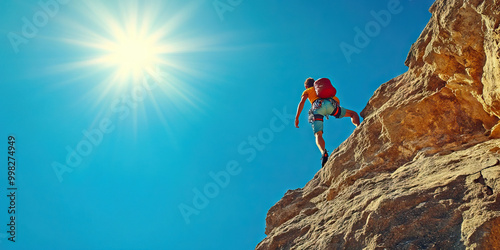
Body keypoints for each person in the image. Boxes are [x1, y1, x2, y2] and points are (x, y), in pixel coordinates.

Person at [294, 77, 360, 167]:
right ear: (315, 84)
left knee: (318, 134)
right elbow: (336, 100)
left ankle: (323, 152)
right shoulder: (321, 90)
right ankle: (359, 128)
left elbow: (302, 102)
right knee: (353, 114)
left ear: (306, 86)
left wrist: (297, 117)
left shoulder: (308, 91)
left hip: (316, 109)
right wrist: (336, 108)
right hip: (329, 105)